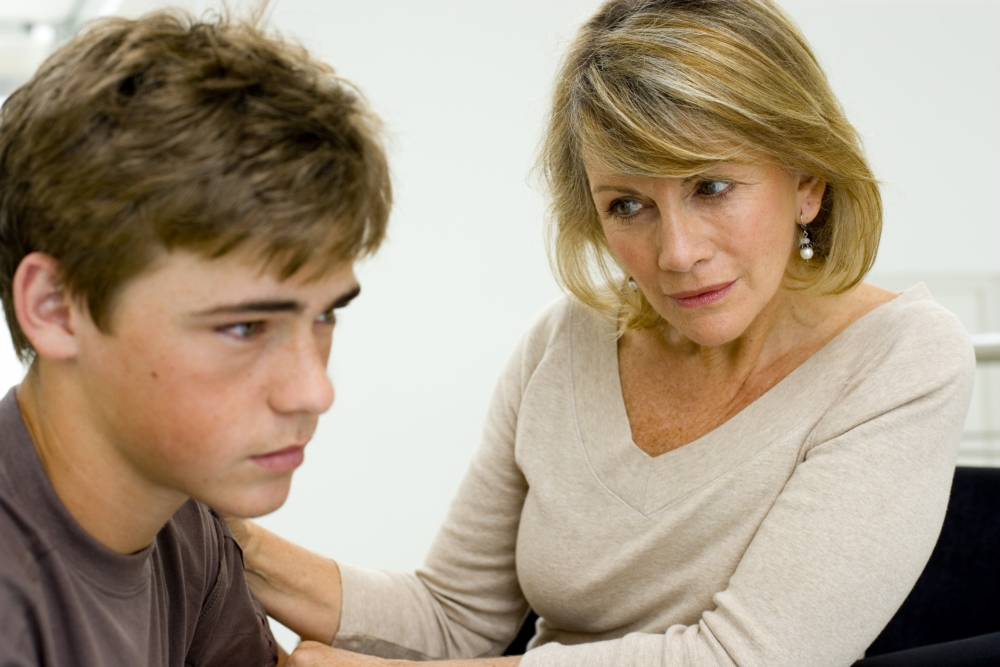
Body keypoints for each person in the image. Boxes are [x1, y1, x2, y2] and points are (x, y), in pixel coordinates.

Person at [228, 1, 977, 666]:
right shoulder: (564, 342)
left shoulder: (902, 355)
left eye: (710, 187)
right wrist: (223, 537)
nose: (676, 252)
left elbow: (749, 658)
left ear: (808, 180)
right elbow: (451, 616)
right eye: (627, 206)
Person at [0, 9, 390, 667]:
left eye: (324, 315)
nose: (315, 389)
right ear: (56, 307)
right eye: (244, 326)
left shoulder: (183, 516)